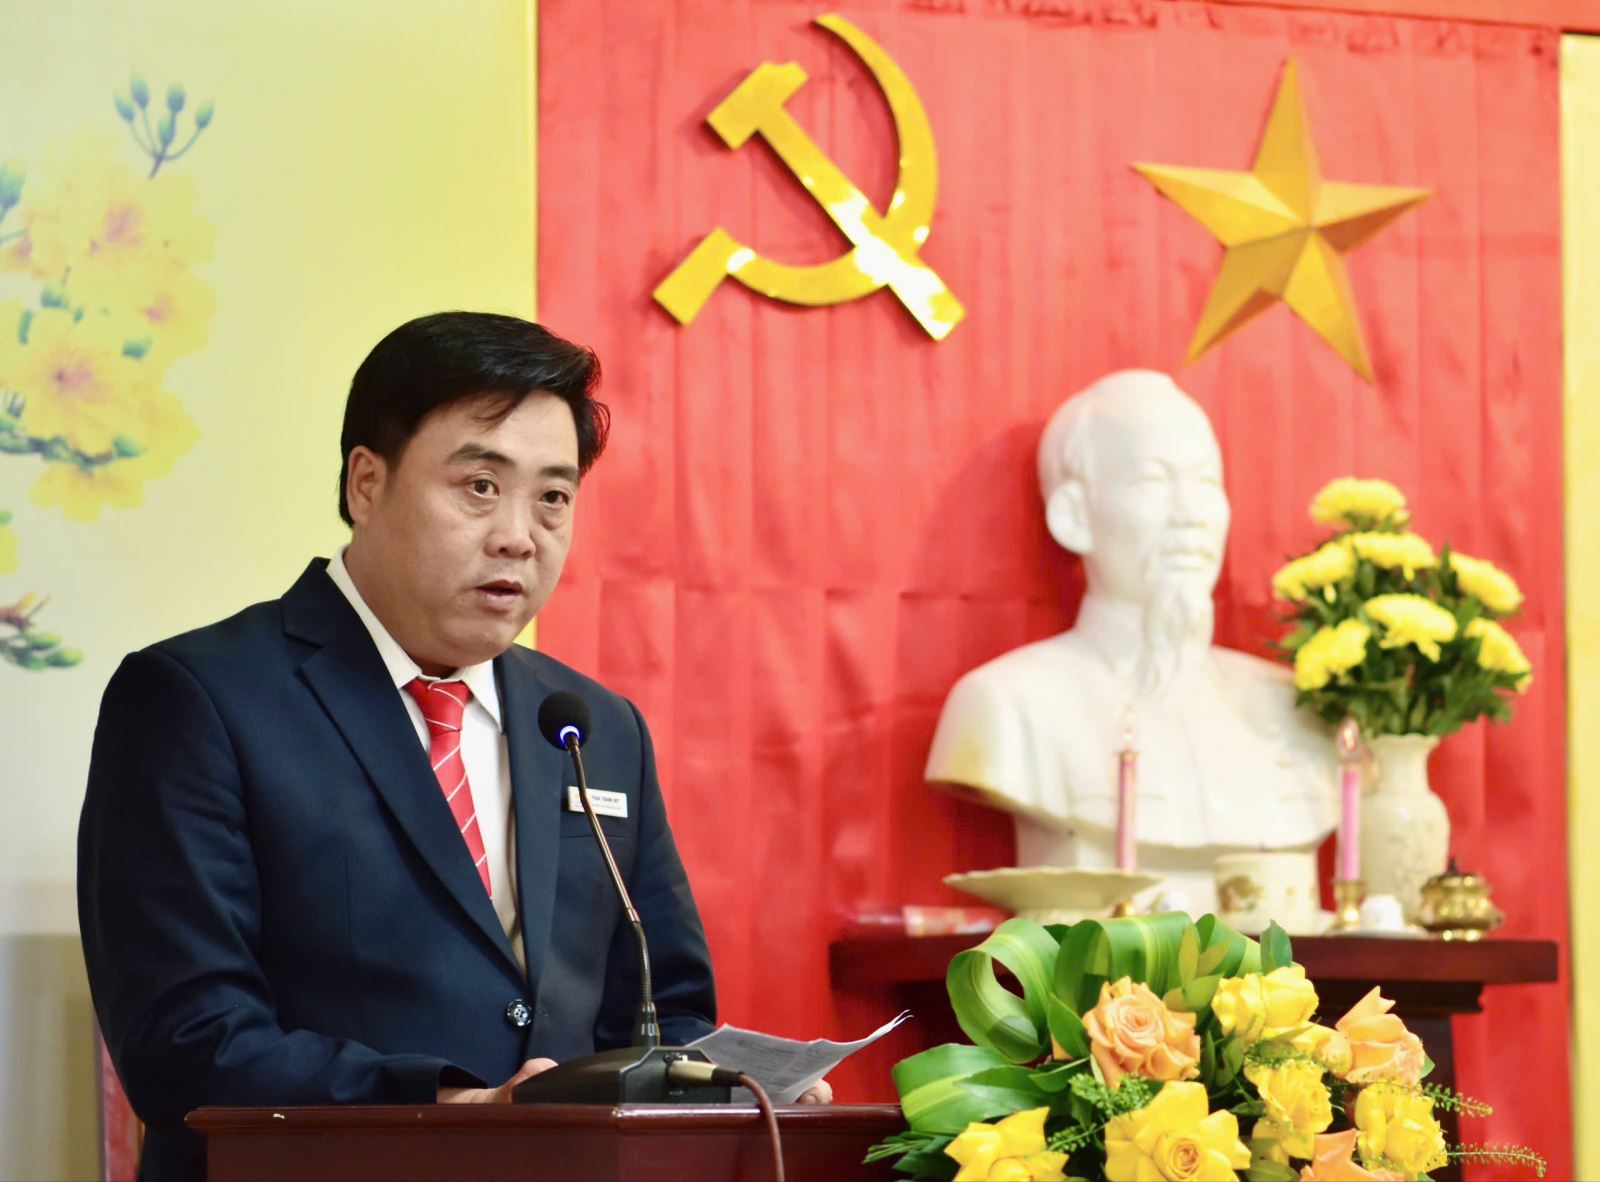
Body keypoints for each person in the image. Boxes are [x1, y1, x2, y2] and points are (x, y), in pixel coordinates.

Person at [79, 312, 750, 1182]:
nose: (519, 535)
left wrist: (735, 1088)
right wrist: (453, 1107)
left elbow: (669, 1011)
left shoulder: (594, 725)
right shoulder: (199, 700)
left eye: (553, 497)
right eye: (480, 486)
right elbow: (185, 1040)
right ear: (367, 483)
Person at [925, 370, 1337, 912]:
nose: (1191, 516)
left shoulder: (1296, 708)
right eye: (1152, 482)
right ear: (1073, 516)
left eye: (1206, 482)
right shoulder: (1007, 705)